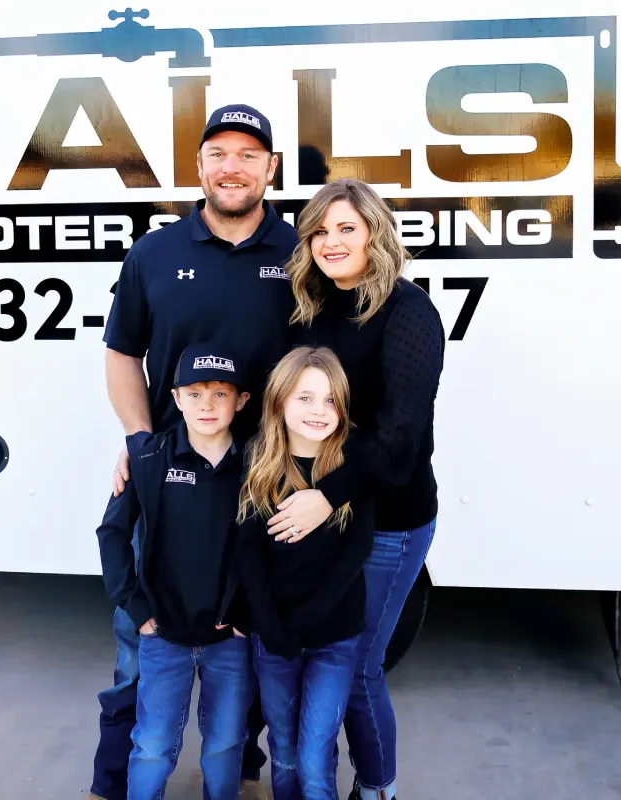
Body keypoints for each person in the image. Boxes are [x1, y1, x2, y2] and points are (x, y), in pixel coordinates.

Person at [92, 103, 331, 800]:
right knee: (141, 645)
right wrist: (140, 445)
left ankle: (241, 771)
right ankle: (112, 781)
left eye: (248, 155)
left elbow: (330, 363)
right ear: (198, 168)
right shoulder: (155, 252)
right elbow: (121, 353)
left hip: (265, 486)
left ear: (271, 168)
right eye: (218, 153)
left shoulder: (301, 253)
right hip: (169, 482)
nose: (233, 167)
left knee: (248, 638)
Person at [266, 178, 445, 800]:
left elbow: (400, 439)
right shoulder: (310, 309)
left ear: (374, 231)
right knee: (312, 662)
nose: (332, 241)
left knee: (358, 669)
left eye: (347, 227)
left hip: (388, 520)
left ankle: (376, 790)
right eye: (320, 230)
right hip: (320, 515)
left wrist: (325, 494)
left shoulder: (407, 310)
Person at [95, 341, 255, 800]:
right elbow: (112, 533)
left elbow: (268, 546)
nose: (207, 405)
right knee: (153, 745)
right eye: (195, 393)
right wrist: (134, 604)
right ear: (175, 397)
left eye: (220, 393)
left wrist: (248, 614)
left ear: (241, 400)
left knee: (225, 745)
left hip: (229, 641)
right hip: (163, 635)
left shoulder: (257, 463)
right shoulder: (148, 458)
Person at [237, 346, 375, 800]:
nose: (319, 410)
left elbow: (355, 554)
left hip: (333, 635)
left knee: (315, 759)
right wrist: (270, 626)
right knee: (285, 751)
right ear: (278, 400)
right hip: (273, 638)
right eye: (305, 398)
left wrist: (310, 619)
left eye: (331, 400)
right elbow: (249, 553)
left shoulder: (352, 468)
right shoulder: (260, 462)